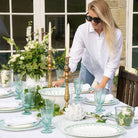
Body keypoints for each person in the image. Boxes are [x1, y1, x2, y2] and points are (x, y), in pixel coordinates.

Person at [52, 0, 123, 94]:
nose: (92, 22)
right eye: (89, 18)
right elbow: (73, 58)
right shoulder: (82, 30)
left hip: (105, 71)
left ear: (105, 18)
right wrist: (62, 79)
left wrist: (101, 85)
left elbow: (112, 64)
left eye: (96, 20)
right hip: (88, 66)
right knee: (80, 94)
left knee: (101, 99)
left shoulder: (116, 34)